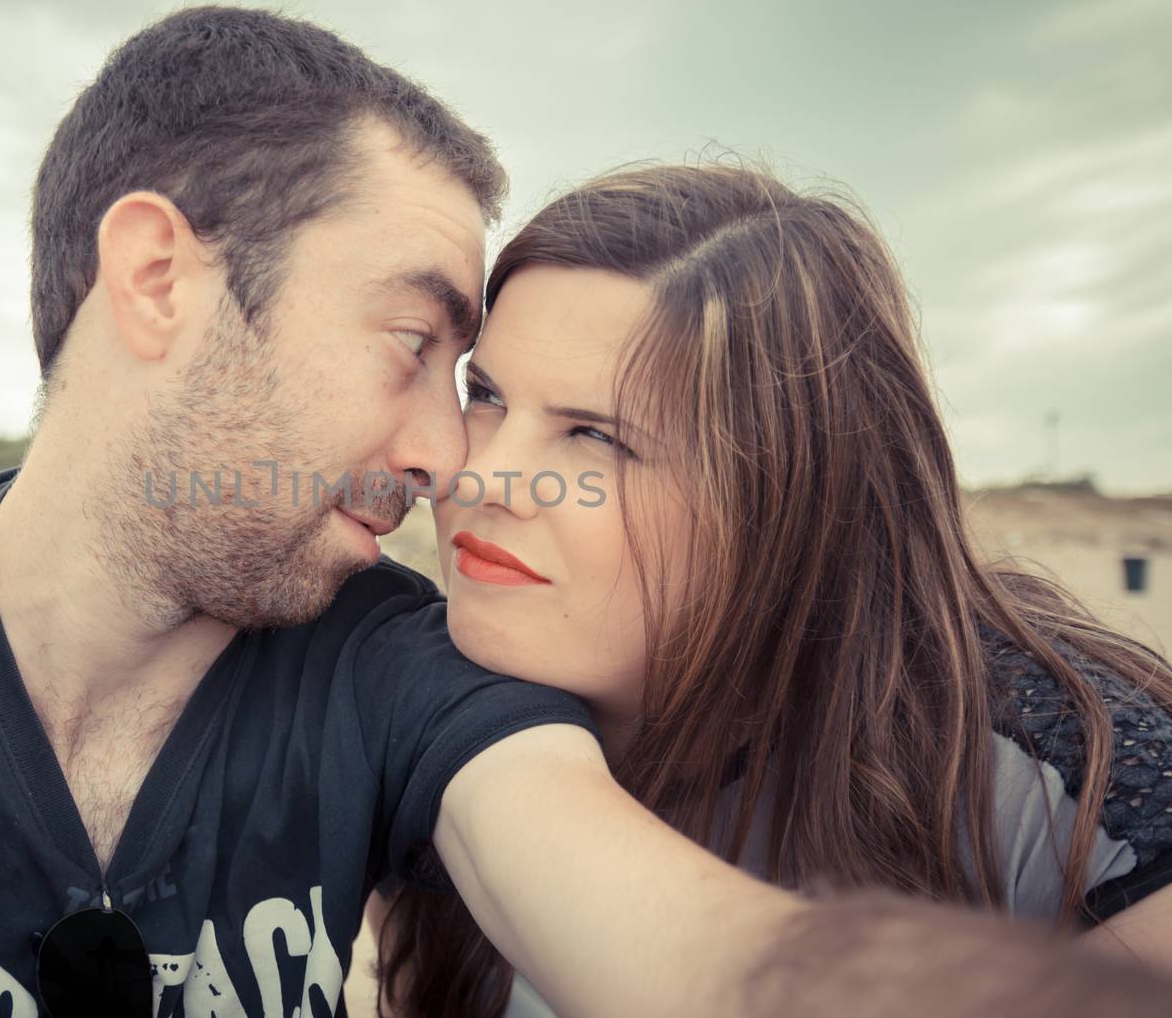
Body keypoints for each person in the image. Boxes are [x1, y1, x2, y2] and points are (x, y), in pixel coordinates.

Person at [0, 5, 1165, 1018]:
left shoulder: (407, 674)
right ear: (159, 280)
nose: (456, 458)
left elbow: (716, 965)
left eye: (591, 429)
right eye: (440, 360)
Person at [368, 163, 1172, 1018]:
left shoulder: (1062, 775)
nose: (480, 474)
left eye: (595, 437)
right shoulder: (395, 708)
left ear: (789, 496)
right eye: (485, 395)